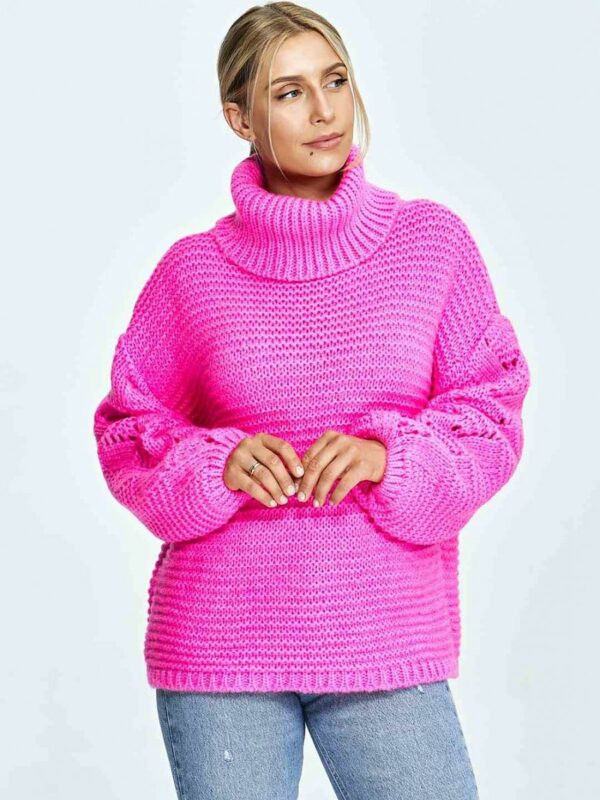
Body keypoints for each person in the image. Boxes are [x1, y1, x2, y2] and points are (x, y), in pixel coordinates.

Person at [92, 3, 531, 798]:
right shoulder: (193, 273)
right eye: (289, 93)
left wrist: (390, 455)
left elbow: (491, 413)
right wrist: (217, 464)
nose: (325, 111)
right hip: (222, 644)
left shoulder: (430, 245)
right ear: (240, 118)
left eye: (334, 81)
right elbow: (129, 431)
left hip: (385, 635)